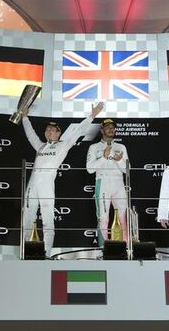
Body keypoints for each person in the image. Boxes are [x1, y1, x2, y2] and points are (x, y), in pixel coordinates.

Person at [21, 101, 104, 255]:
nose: (48, 131)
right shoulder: (40, 146)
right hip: (32, 186)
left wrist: (92, 115)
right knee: (27, 219)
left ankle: (46, 254)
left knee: (47, 221)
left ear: (58, 133)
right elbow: (30, 134)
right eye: (47, 129)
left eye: (52, 129)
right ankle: (26, 252)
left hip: (46, 187)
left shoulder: (63, 145)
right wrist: (25, 118)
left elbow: (78, 131)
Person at [86, 118, 129, 242]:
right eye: (107, 127)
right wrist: (104, 157)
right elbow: (90, 169)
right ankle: (103, 249)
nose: (111, 129)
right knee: (103, 218)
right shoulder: (94, 147)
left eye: (113, 127)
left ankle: (124, 248)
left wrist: (119, 160)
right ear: (101, 130)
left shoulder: (121, 147)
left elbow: (127, 170)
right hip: (103, 183)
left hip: (118, 184)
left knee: (122, 218)